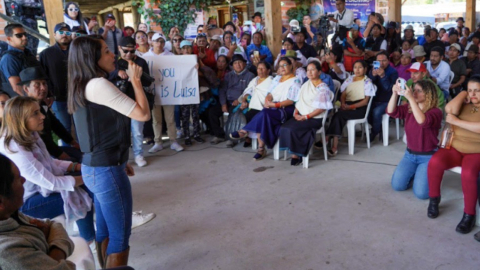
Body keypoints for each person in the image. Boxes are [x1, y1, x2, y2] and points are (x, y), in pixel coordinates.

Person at [67, 36, 151, 267]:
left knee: (104, 231)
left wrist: (120, 160)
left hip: (96, 167)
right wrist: (136, 81)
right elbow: (143, 114)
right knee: (120, 237)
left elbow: (98, 130)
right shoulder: (98, 84)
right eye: (106, 51)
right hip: (106, 171)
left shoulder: (81, 84)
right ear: (91, 58)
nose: (113, 55)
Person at [0, 96, 95, 244]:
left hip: (38, 189)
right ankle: (89, 239)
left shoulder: (30, 134)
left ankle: (89, 236)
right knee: (87, 189)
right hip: (25, 202)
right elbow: (52, 183)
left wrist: (78, 167)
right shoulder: (16, 149)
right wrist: (89, 176)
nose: (43, 116)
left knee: (85, 182)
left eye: (40, 111)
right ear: (20, 119)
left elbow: (50, 162)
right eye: (36, 113)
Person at [0, 154, 77, 269]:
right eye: (18, 179)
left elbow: (53, 224)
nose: (24, 180)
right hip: (33, 199)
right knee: (76, 196)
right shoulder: (8, 252)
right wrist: (56, 250)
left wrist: (46, 259)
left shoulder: (9, 215)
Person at [427, 77, 480, 235]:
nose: (473, 94)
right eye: (470, 90)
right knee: (435, 162)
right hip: (455, 148)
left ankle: (469, 215)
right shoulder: (464, 104)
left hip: (476, 151)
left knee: (469, 173)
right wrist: (464, 93)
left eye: (477, 90)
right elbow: (449, 110)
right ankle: (434, 200)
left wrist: (457, 122)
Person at [229, 57, 301, 160]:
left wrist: (275, 105)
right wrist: (268, 100)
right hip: (272, 108)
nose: (282, 68)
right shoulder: (276, 79)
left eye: (285, 65)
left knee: (264, 114)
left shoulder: (296, 80)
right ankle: (261, 148)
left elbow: (291, 100)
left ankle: (246, 132)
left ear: (291, 66)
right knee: (264, 115)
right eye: (280, 66)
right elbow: (270, 93)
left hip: (286, 109)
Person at [388, 80, 442, 199]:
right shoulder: (410, 108)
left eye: (419, 91)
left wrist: (411, 99)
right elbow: (391, 112)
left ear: (428, 94)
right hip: (410, 154)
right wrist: (394, 94)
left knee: (422, 194)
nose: (414, 93)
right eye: (414, 90)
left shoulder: (436, 112)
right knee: (397, 186)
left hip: (428, 157)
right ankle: (415, 173)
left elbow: (422, 121)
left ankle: (429, 174)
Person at [18, 67, 82, 163]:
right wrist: (61, 155)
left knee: (83, 155)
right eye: (37, 85)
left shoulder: (42, 104)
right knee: (76, 161)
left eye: (44, 83)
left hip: (51, 150)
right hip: (41, 156)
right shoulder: (24, 112)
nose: (43, 88)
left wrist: (73, 142)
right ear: (26, 89)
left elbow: (56, 125)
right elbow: (42, 138)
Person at [279, 61, 334, 165]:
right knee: (284, 127)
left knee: (294, 128)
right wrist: (296, 113)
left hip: (315, 118)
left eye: (313, 70)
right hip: (302, 115)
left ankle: (297, 154)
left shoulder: (323, 88)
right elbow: (299, 102)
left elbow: (321, 109)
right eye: (308, 70)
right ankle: (295, 151)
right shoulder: (305, 85)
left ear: (319, 72)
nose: (309, 72)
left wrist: (306, 117)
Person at [323, 60, 375, 156]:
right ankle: (332, 144)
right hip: (347, 106)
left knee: (338, 115)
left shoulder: (367, 82)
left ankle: (328, 139)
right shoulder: (349, 79)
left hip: (360, 109)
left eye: (360, 67)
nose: (357, 70)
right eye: (355, 67)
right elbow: (343, 93)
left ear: (365, 69)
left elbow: (365, 101)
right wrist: (343, 103)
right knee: (338, 116)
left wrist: (351, 107)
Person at [114, 37, 153, 167]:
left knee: (137, 131)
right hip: (119, 101)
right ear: (119, 48)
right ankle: (122, 158)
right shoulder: (114, 62)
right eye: (126, 51)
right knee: (120, 132)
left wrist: (137, 78)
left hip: (136, 101)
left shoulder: (140, 62)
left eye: (132, 51)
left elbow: (149, 81)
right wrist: (117, 72)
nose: (129, 54)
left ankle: (138, 155)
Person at [143, 33, 184, 153]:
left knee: (170, 118)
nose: (159, 44)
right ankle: (158, 142)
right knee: (156, 119)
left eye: (161, 41)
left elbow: (180, 70)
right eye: (157, 41)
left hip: (168, 92)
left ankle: (173, 141)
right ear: (152, 42)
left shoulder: (170, 56)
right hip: (153, 92)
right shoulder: (146, 57)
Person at [209, 54, 255, 144]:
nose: (238, 65)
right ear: (232, 65)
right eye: (235, 63)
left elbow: (249, 91)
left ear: (244, 64)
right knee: (212, 112)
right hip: (227, 101)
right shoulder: (228, 75)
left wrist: (240, 100)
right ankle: (220, 135)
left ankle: (232, 138)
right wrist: (223, 104)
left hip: (240, 102)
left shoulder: (250, 76)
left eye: (240, 62)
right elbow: (222, 90)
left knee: (232, 113)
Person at [39, 23, 73, 139]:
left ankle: (83, 154)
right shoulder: (46, 54)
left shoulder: (77, 51)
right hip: (59, 98)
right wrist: (49, 94)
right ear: (54, 34)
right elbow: (44, 76)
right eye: (61, 32)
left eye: (67, 33)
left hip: (78, 96)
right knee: (64, 129)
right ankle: (68, 155)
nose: (64, 35)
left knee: (81, 127)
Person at [180, 40, 216, 146]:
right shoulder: (176, 60)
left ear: (192, 48)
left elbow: (203, 73)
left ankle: (196, 134)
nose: (186, 50)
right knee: (185, 115)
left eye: (188, 47)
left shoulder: (196, 59)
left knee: (195, 114)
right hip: (182, 91)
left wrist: (197, 70)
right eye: (184, 48)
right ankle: (187, 136)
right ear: (181, 50)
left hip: (194, 90)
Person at [238, 61, 273, 147]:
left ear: (268, 70)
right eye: (258, 68)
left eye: (263, 68)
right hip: (253, 105)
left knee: (252, 115)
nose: (260, 70)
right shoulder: (255, 80)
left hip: (263, 107)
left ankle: (247, 136)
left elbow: (274, 95)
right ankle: (248, 136)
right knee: (242, 114)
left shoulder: (271, 81)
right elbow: (247, 91)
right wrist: (244, 100)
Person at [0, 24, 40, 97]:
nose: (24, 37)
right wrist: (34, 101)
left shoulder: (28, 54)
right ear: (9, 39)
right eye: (19, 35)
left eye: (25, 34)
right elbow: (17, 87)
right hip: (25, 102)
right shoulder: (9, 58)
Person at [368, 52, 398, 141]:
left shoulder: (393, 72)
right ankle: (380, 129)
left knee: (376, 112)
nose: (381, 63)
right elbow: (368, 84)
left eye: (384, 60)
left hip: (387, 101)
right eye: (378, 61)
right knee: (365, 111)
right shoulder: (373, 69)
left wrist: (382, 76)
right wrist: (372, 76)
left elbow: (388, 88)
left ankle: (374, 132)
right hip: (374, 99)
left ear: (388, 61)